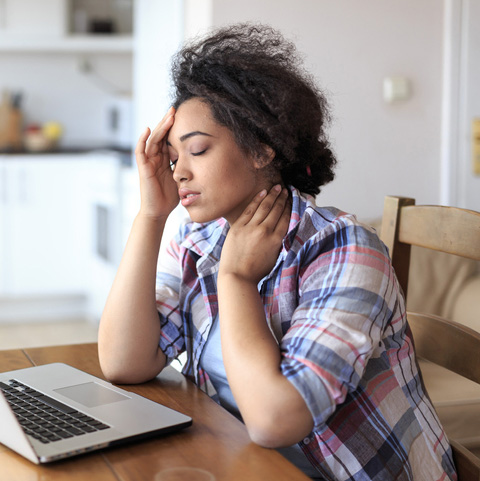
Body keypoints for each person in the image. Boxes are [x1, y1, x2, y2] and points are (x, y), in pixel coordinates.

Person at [98, 23, 457, 481]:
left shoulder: (345, 249)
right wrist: (150, 216)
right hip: (241, 462)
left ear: (261, 149)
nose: (178, 172)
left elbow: (274, 420)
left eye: (197, 150)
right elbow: (124, 363)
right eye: (172, 158)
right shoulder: (198, 243)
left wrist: (236, 280)